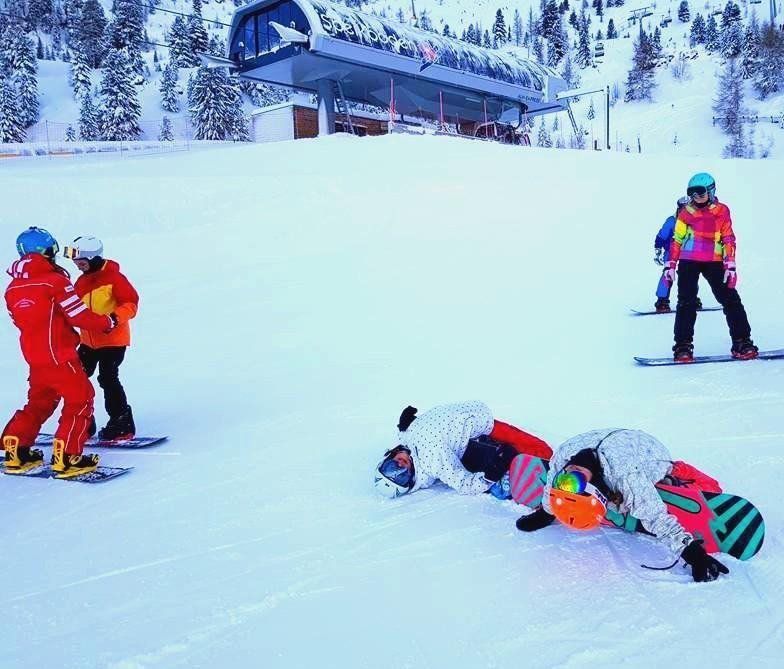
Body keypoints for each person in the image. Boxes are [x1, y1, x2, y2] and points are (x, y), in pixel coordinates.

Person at [515, 428, 729, 583]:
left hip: (649, 451)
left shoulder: (626, 475)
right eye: (567, 483)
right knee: (620, 496)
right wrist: (546, 511)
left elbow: (655, 517)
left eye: (575, 483)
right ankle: (635, 493)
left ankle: (670, 477)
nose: (569, 478)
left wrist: (691, 552)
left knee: (643, 494)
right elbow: (552, 483)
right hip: (612, 442)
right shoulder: (562, 460)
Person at [2, 227, 116, 478]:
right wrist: (107, 323)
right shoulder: (55, 282)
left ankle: (15, 448)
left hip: (34, 357)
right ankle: (67, 457)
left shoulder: (12, 288)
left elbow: (18, 321)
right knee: (81, 399)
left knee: (39, 402)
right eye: (52, 250)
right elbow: (78, 315)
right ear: (45, 252)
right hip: (61, 356)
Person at [663, 172, 758, 362]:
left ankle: (742, 341)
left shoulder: (722, 211)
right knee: (686, 302)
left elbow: (728, 237)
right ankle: (683, 346)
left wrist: (730, 265)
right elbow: (677, 239)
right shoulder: (686, 212)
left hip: (714, 261)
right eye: (692, 193)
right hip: (689, 261)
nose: (697, 197)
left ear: (711, 190)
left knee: (730, 299)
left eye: (701, 192)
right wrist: (670, 265)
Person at [373, 401, 551, 498]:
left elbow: (409, 439)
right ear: (411, 480)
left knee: (538, 447)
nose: (400, 464)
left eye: (391, 467)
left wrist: (405, 426)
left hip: (474, 417)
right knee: (543, 451)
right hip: (480, 429)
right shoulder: (433, 462)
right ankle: (541, 469)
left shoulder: (406, 440)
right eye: (402, 474)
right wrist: (492, 473)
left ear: (386, 459)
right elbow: (464, 484)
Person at [65, 236, 139, 441]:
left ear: (94, 259)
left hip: (113, 340)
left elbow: (131, 303)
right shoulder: (80, 282)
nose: (78, 267)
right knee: (76, 378)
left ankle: (121, 423)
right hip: (88, 342)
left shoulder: (115, 278)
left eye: (81, 263)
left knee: (107, 377)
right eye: (76, 263)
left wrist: (115, 318)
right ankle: (84, 422)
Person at [653, 196, 702, 313]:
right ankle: (662, 300)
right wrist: (658, 249)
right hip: (671, 250)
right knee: (667, 273)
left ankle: (691, 298)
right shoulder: (671, 221)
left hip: (687, 252)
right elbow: (661, 236)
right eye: (683, 209)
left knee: (689, 274)